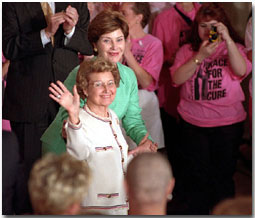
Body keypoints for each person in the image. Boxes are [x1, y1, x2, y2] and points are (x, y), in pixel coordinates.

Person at [170, 3, 252, 214]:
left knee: (223, 176)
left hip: (228, 123)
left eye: (213, 25)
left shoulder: (235, 48)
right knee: (197, 176)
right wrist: (201, 57)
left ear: (223, 25)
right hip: (193, 123)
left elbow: (241, 70)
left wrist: (228, 40)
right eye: (202, 25)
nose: (207, 31)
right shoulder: (187, 50)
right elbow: (177, 78)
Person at [41, 10, 157, 156]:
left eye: (119, 40)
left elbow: (133, 120)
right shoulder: (81, 72)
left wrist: (145, 141)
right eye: (107, 40)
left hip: (101, 149)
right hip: (65, 150)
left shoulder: (129, 75)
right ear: (95, 45)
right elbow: (70, 121)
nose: (115, 47)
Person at [2, 3, 93, 182]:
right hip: (28, 101)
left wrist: (70, 31)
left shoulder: (77, 3)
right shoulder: (10, 4)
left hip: (67, 101)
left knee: (68, 171)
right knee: (30, 174)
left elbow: (88, 45)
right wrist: (45, 34)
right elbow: (9, 48)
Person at [49, 58, 133, 215]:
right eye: (98, 84)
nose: (107, 89)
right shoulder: (77, 120)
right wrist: (73, 115)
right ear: (85, 90)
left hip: (120, 205)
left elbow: (116, 160)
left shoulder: (112, 116)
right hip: (95, 209)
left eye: (110, 83)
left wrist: (137, 157)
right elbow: (79, 154)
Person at [151, 2, 201, 170]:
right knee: (176, 147)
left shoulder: (204, 14)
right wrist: (175, 60)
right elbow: (157, 57)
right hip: (171, 92)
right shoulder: (163, 18)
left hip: (202, 93)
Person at [120, 2, 164, 150]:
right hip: (119, 99)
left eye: (124, 13)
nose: (120, 17)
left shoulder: (153, 43)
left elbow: (146, 82)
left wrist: (127, 53)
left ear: (138, 17)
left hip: (143, 101)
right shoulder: (116, 40)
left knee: (145, 151)